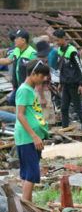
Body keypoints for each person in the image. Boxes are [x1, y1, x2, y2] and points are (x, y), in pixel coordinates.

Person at [14, 60, 50, 202]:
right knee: (32, 174)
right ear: (33, 74)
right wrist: (34, 136)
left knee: (27, 174)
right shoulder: (24, 90)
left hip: (30, 137)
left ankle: (27, 207)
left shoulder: (30, 89)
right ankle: (26, 209)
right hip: (27, 138)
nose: (44, 79)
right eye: (42, 76)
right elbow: (20, 115)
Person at [52, 30, 82, 130]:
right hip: (65, 83)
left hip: (74, 83)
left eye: (57, 40)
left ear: (63, 38)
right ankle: (65, 128)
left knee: (78, 107)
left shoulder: (72, 51)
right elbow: (60, 67)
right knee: (64, 108)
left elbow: (80, 67)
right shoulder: (59, 50)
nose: (56, 42)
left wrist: (81, 84)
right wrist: (60, 82)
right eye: (55, 40)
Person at [0, 29, 37, 105]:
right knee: (12, 102)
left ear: (23, 40)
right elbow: (7, 60)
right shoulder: (16, 50)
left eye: (17, 38)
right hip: (17, 86)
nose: (14, 40)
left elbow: (36, 73)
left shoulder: (32, 53)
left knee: (22, 106)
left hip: (27, 88)